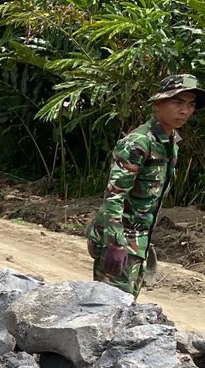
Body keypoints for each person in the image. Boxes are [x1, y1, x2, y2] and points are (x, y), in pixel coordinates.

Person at [86, 74, 203, 299]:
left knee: (127, 306)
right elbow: (114, 196)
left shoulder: (170, 142)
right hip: (121, 237)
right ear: (158, 104)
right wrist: (115, 243)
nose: (185, 111)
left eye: (191, 104)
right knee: (109, 306)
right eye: (177, 102)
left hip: (139, 239)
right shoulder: (139, 143)